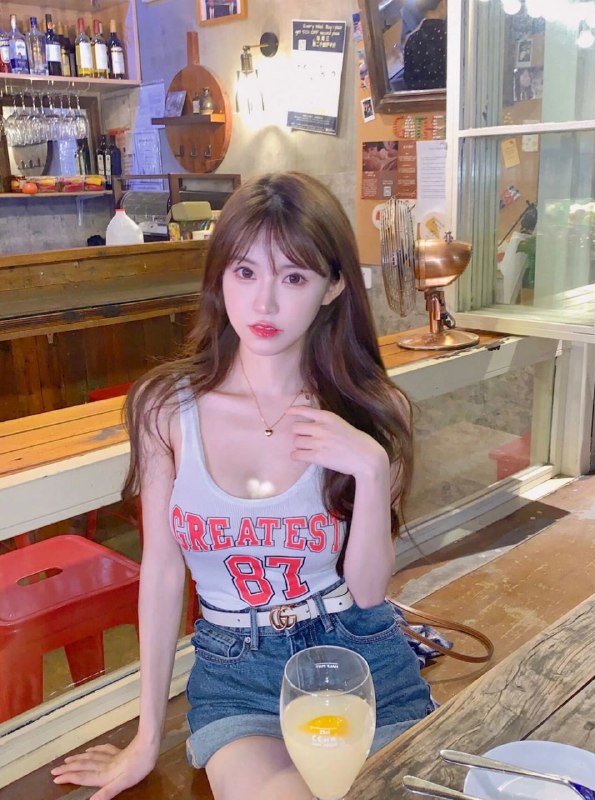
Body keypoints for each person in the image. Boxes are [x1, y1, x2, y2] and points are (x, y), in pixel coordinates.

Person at [51, 172, 434, 800]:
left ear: (334, 286)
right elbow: (162, 572)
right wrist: (147, 737)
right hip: (237, 672)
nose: (264, 305)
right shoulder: (165, 408)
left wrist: (369, 469)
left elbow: (368, 592)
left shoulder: (371, 410)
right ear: (219, 277)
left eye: (294, 278)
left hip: (357, 657)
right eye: (246, 272)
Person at [403, 0, 447, 91]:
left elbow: (408, 80)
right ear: (442, 4)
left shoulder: (412, 40)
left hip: (421, 99)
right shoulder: (452, 36)